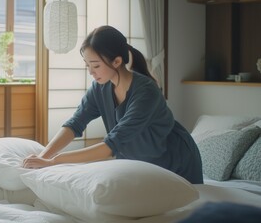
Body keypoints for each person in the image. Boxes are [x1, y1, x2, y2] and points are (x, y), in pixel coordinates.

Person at [22, 25, 203, 184]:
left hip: (176, 162)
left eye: (96, 65)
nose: (91, 72)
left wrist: (55, 161)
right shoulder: (100, 88)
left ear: (116, 61)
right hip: (140, 164)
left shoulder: (146, 91)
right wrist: (43, 157)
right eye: (87, 65)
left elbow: (111, 145)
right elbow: (74, 124)